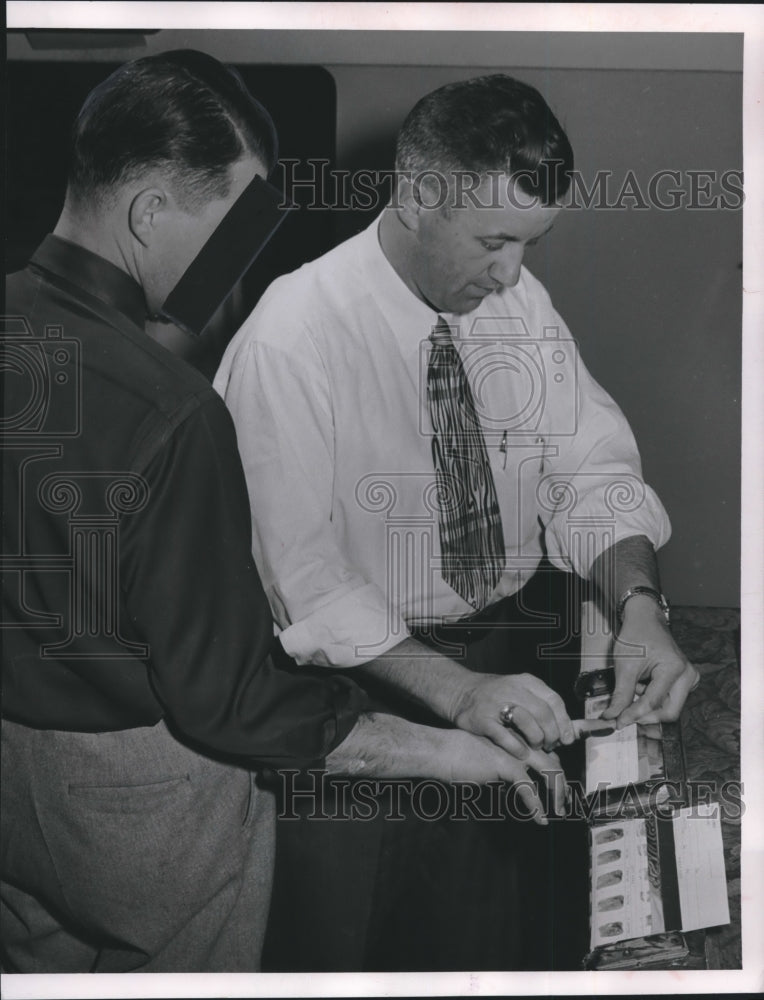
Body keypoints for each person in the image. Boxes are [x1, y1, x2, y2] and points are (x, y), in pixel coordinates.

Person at [1, 54, 565, 975]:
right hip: (140, 807)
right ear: (149, 211)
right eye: (234, 221)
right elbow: (232, 702)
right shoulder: (173, 412)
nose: (235, 262)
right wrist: (444, 748)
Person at [214, 74, 699, 970]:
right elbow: (303, 580)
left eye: (529, 242)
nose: (513, 272)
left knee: (495, 933)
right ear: (415, 197)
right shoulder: (292, 339)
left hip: (513, 650)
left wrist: (639, 610)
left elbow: (588, 467)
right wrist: (457, 694)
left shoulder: (518, 307)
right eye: (493, 241)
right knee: (360, 944)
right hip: (368, 691)